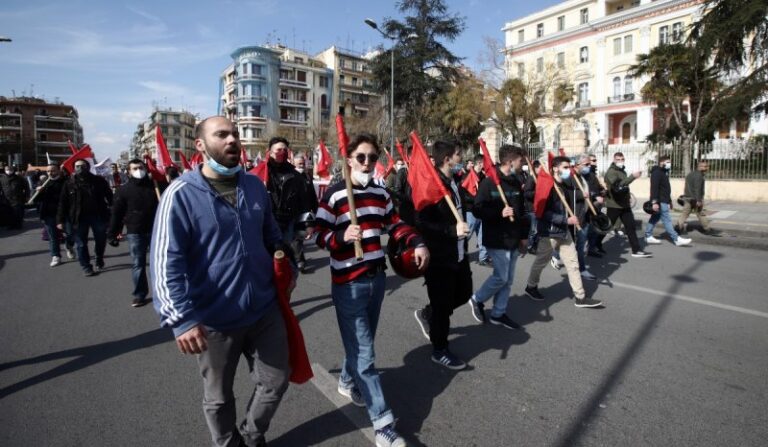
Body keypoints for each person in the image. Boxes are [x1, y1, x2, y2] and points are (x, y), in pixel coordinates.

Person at [151, 116, 291, 447]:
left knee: (277, 380)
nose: (232, 140)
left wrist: (287, 263)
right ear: (200, 145)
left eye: (235, 135)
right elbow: (164, 262)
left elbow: (271, 235)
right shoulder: (180, 194)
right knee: (218, 398)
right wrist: (181, 319)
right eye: (222, 135)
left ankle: (253, 435)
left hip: (263, 309)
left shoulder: (255, 185)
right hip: (214, 319)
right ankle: (228, 443)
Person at [314, 132, 428, 447]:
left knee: (362, 345)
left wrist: (415, 241)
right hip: (348, 284)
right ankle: (383, 425)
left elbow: (396, 225)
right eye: (361, 157)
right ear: (348, 159)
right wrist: (340, 237)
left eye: (372, 157)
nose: (367, 162)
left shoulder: (380, 193)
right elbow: (317, 235)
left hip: (377, 279)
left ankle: (347, 380)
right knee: (365, 353)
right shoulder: (335, 194)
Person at [414, 140, 472, 370]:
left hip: (459, 252)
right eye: (459, 155)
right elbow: (421, 222)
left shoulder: (454, 181)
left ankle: (428, 313)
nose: (462, 159)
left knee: (464, 293)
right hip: (439, 255)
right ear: (447, 158)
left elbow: (464, 204)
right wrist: (451, 230)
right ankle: (440, 349)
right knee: (442, 305)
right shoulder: (431, 183)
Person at [524, 156, 603, 308]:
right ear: (555, 168)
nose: (569, 170)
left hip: (564, 232)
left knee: (573, 263)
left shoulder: (565, 185)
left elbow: (574, 200)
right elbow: (542, 212)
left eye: (569, 167)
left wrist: (576, 218)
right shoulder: (548, 186)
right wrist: (565, 220)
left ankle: (580, 297)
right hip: (550, 232)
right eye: (565, 167)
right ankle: (531, 286)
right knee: (541, 261)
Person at [468, 144, 529, 329]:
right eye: (520, 160)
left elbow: (522, 211)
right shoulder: (489, 182)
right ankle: (477, 298)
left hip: (513, 237)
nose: (523, 163)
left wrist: (523, 236)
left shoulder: (516, 182)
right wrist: (498, 212)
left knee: (508, 280)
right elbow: (477, 209)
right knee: (501, 277)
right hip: (497, 238)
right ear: (510, 161)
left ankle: (498, 313)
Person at [107, 159, 159, 307]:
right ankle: (139, 294)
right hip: (135, 232)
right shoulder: (123, 190)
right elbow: (116, 214)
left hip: (156, 230)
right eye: (135, 168)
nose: (139, 170)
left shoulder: (155, 187)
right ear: (128, 172)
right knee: (138, 264)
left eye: (141, 167)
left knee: (160, 264)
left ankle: (163, 293)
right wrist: (112, 233)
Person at [57, 160, 113, 276]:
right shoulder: (69, 183)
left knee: (101, 240)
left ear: (88, 167)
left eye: (83, 166)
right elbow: (62, 202)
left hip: (98, 215)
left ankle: (99, 257)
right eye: (77, 166)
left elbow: (110, 196)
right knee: (81, 243)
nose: (80, 168)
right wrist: (60, 220)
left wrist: (114, 212)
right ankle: (86, 266)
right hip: (78, 218)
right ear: (74, 168)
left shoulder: (99, 181)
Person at [265, 137, 315, 245]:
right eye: (278, 150)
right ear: (270, 152)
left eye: (285, 150)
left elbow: (304, 202)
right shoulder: (262, 173)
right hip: (265, 223)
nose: (282, 153)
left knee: (285, 255)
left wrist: (308, 224)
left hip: (288, 224)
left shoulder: (295, 176)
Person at [603, 152, 652, 257]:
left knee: (630, 226)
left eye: (622, 159)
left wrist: (628, 197)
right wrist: (632, 177)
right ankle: (594, 244)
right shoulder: (611, 172)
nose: (620, 161)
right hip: (614, 205)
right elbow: (618, 185)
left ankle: (636, 250)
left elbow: (623, 188)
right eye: (618, 159)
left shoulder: (622, 171)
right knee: (606, 227)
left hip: (624, 205)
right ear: (614, 160)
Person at [33, 163, 74, 266]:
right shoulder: (43, 183)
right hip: (49, 213)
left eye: (53, 171)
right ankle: (56, 256)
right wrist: (39, 192)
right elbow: (36, 200)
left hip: (65, 213)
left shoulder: (67, 182)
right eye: (48, 171)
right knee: (53, 236)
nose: (50, 173)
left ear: (59, 171)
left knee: (70, 233)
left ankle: (69, 246)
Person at [645, 155, 692, 246]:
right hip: (660, 201)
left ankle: (648, 236)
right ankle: (676, 238)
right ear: (661, 162)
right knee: (667, 220)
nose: (669, 164)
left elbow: (665, 189)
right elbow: (654, 188)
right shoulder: (656, 173)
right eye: (668, 162)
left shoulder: (663, 172)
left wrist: (669, 201)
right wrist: (654, 202)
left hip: (664, 200)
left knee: (655, 217)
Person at [291, 153, 318, 272]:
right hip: (294, 212)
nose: (301, 165)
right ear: (293, 164)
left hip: (306, 212)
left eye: (303, 163)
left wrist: (316, 210)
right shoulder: (291, 176)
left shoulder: (307, 176)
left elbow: (312, 194)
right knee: (296, 237)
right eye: (299, 164)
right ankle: (299, 260)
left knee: (302, 236)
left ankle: (298, 257)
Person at [677, 160, 711, 234]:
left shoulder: (690, 174)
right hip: (695, 199)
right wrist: (698, 200)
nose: (707, 168)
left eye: (707, 166)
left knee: (685, 213)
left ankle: (679, 226)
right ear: (700, 166)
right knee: (700, 213)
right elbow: (697, 188)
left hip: (687, 197)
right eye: (705, 166)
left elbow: (687, 186)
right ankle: (707, 229)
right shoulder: (699, 176)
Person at [0, 164, 29, 229]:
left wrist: (27, 196)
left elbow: (26, 187)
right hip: (6, 199)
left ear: (13, 170)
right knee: (8, 213)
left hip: (17, 198)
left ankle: (18, 225)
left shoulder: (19, 178)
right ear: (5, 170)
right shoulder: (2, 178)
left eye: (10, 170)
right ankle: (10, 225)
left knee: (18, 213)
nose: (9, 171)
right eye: (7, 170)